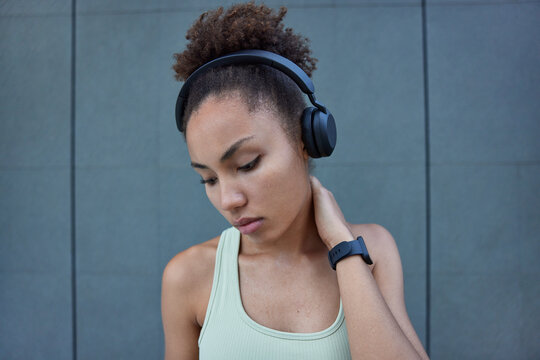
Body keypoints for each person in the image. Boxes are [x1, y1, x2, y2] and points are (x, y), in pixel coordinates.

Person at [161, 3, 429, 359]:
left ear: (307, 141)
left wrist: (344, 248)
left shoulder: (372, 249)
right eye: (208, 179)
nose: (228, 200)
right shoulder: (188, 276)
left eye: (247, 164)